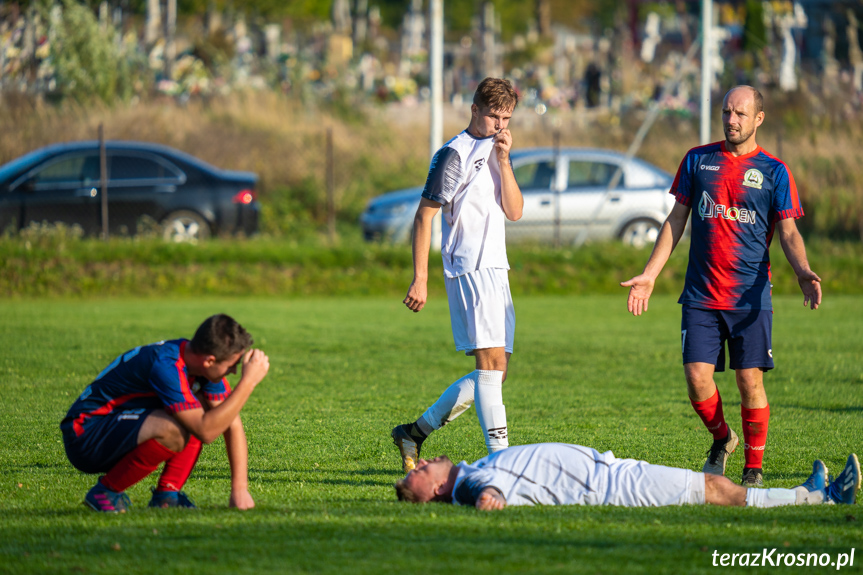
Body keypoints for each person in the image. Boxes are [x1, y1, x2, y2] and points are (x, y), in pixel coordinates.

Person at [620, 86, 822, 487]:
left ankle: (753, 468)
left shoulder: (775, 171)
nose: (731, 120)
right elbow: (676, 220)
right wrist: (650, 274)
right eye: (727, 112)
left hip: (749, 297)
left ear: (758, 119)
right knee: (697, 378)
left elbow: (789, 232)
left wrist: (802, 270)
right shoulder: (698, 160)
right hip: (700, 295)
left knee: (750, 380)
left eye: (740, 114)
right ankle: (722, 438)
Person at [391, 77, 524, 472]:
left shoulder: (498, 149)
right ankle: (499, 462)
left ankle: (414, 433)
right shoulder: (454, 153)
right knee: (489, 364)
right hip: (468, 266)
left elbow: (514, 211)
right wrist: (421, 277)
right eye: (494, 116)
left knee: (497, 370)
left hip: (497, 268)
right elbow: (425, 215)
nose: (500, 124)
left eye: (507, 117)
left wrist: (504, 160)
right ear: (474, 110)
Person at [61, 314, 270, 512]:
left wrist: (239, 490)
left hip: (116, 427)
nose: (234, 371)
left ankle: (167, 497)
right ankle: (105, 492)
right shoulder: (166, 365)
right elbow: (206, 431)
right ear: (209, 360)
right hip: (86, 434)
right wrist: (248, 382)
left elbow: (230, 421)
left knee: (203, 411)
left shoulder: (200, 367)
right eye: (232, 365)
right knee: (177, 427)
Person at [394, 443, 860, 510]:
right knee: (715, 489)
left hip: (611, 471)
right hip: (614, 487)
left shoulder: (469, 468)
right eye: (414, 477)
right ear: (436, 489)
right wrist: (490, 497)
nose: (416, 465)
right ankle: (821, 499)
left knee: (714, 488)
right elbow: (488, 493)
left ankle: (807, 492)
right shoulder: (469, 484)